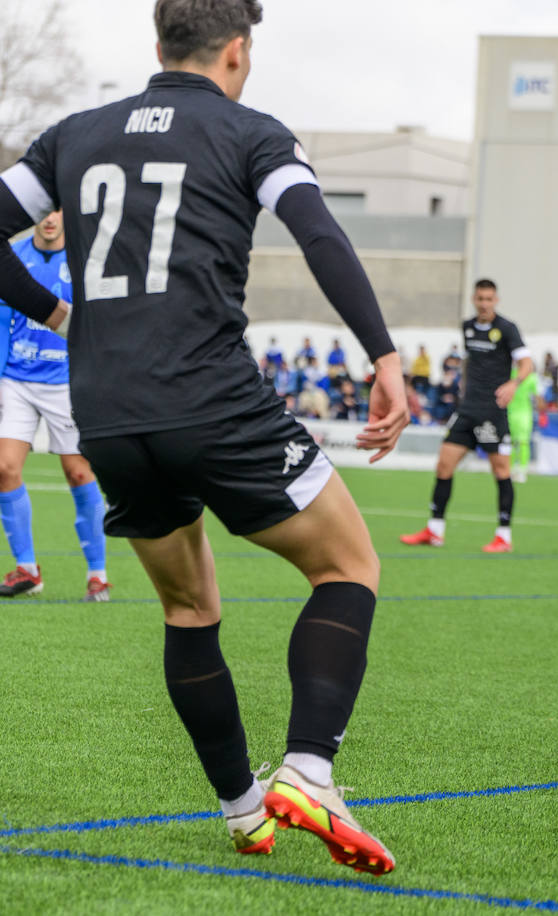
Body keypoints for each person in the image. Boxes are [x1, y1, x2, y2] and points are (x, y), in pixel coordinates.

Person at [0, 0, 408, 871]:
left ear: (158, 46)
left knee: (188, 608)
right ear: (240, 49)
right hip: (212, 399)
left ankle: (242, 813)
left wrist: (55, 311)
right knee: (348, 566)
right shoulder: (251, 131)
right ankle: (308, 769)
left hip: (105, 411)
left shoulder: (73, 134)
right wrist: (383, 354)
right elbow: (317, 232)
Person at [0, 210, 110, 600]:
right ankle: (27, 570)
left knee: (78, 472)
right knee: (4, 468)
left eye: (57, 210)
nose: (49, 219)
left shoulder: (83, 259)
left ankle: (97, 574)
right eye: (41, 211)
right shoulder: (12, 256)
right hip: (16, 379)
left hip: (66, 381)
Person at [400, 278, 533, 552]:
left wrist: (513, 383)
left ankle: (503, 536)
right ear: (474, 299)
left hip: (492, 412)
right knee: (444, 466)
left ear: (496, 300)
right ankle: (435, 531)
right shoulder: (468, 327)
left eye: (489, 299)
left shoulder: (507, 329)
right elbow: (471, 361)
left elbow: (527, 363)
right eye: (480, 299)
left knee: (501, 471)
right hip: (467, 410)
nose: (484, 304)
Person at [507, 364, 540, 483]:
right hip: (520, 414)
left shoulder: (510, 375)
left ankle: (515, 470)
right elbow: (538, 397)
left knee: (515, 443)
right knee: (521, 443)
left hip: (515, 413)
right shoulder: (531, 377)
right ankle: (518, 470)